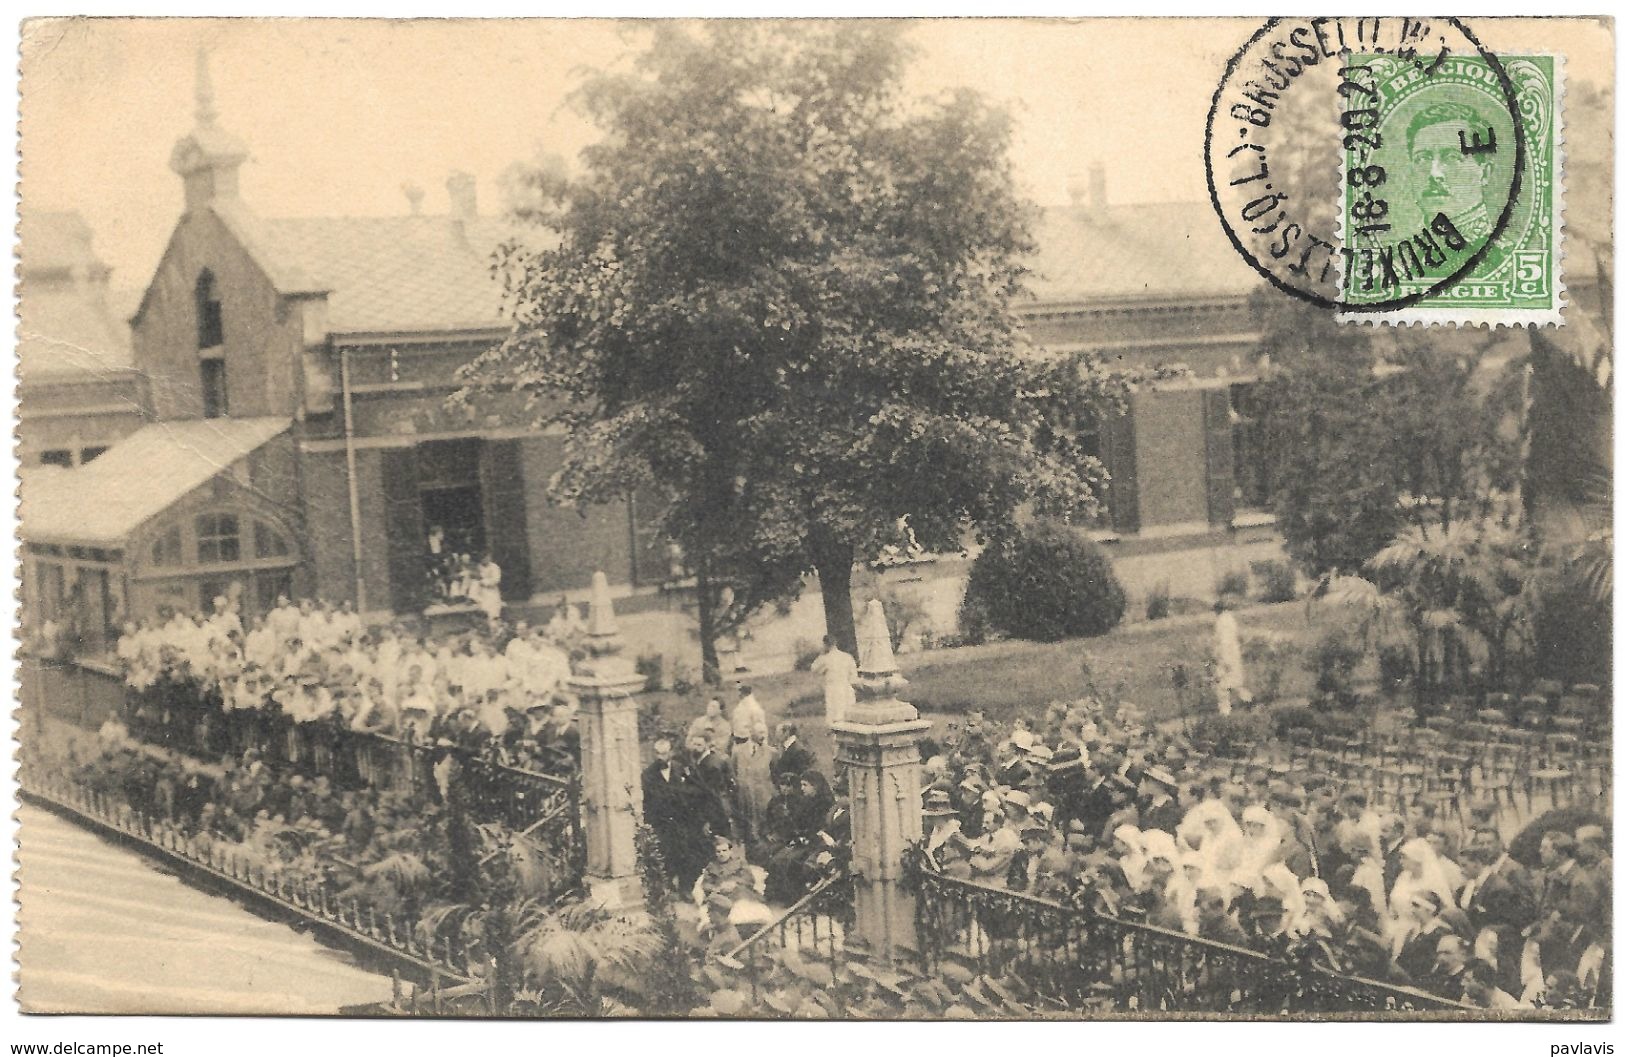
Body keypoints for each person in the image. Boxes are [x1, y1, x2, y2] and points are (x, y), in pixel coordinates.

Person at [809, 635, 858, 727]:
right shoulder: (847, 656)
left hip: (833, 688)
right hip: (846, 687)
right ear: (835, 643)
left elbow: (814, 668)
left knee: (835, 714)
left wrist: (821, 654)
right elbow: (854, 674)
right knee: (846, 712)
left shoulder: (825, 658)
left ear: (825, 645)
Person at [1211, 600, 1250, 715]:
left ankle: (1225, 713)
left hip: (1226, 658)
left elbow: (1224, 642)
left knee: (1221, 686)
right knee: (1235, 684)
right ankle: (1249, 701)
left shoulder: (1222, 621)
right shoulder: (1230, 619)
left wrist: (1223, 659)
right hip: (1233, 656)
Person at [731, 684, 769, 749]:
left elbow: (761, 728)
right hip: (738, 740)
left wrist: (763, 746)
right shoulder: (741, 705)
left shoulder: (754, 707)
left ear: (742, 693)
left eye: (739, 691)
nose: (738, 694)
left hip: (749, 742)